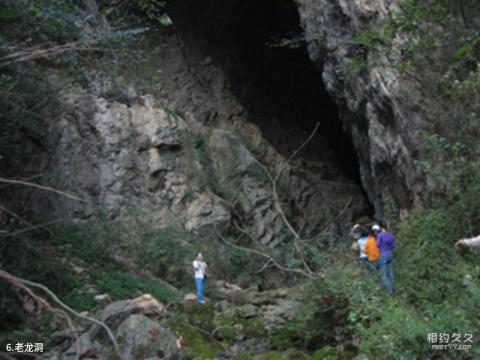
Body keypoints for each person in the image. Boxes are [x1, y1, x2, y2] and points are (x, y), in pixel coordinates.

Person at [375, 225, 396, 294]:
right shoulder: (391, 235)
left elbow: (377, 245)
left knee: (383, 273)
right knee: (390, 272)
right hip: (390, 254)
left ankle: (389, 291)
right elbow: (394, 245)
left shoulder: (380, 235)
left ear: (382, 229)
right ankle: (392, 288)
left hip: (383, 254)